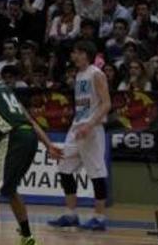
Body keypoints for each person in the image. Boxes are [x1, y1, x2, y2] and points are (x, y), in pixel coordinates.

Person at [0, 58, 62, 245]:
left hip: (12, 138)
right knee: (9, 189)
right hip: (29, 137)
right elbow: (30, 120)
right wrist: (48, 144)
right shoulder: (4, 89)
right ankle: (27, 237)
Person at [49, 40, 112, 231]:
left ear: (85, 54)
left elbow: (106, 104)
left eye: (76, 52)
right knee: (64, 167)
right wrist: (78, 124)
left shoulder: (96, 74)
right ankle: (71, 214)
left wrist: (90, 124)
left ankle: (99, 217)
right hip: (77, 127)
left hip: (92, 129)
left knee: (96, 173)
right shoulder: (79, 75)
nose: (73, 56)